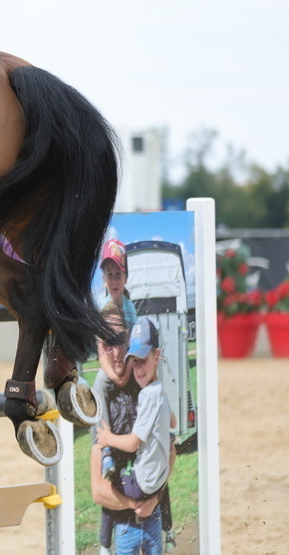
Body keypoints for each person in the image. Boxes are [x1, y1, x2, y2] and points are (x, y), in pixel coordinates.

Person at [90, 308, 170, 555]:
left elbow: (171, 449)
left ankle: (170, 529)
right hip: (125, 522)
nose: (116, 352)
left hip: (152, 515)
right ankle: (105, 543)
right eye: (107, 344)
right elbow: (98, 491)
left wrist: (154, 498)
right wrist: (136, 504)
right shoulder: (101, 398)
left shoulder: (146, 387)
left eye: (120, 342)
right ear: (100, 350)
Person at [98, 318, 173, 504]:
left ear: (157, 355)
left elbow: (132, 444)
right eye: (135, 362)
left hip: (143, 483)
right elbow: (173, 422)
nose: (138, 369)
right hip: (160, 476)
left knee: (113, 481)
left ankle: (104, 535)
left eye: (143, 360)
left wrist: (108, 439)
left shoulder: (147, 395)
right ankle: (169, 530)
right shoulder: (160, 389)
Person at [101, 238, 138, 328]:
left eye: (118, 274)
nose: (114, 281)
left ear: (125, 278)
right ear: (104, 280)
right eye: (109, 274)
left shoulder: (130, 308)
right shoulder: (101, 308)